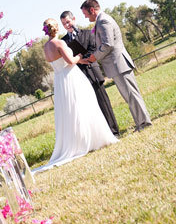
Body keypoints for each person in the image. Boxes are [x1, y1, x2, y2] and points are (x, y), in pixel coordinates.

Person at [36, 18, 117, 172]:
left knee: (69, 111)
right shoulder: (60, 43)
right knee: (83, 106)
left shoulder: (46, 47)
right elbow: (70, 61)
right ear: (56, 28)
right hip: (71, 77)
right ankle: (89, 139)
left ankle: (78, 140)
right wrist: (79, 56)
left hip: (59, 81)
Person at [80, 0, 152, 132]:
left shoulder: (103, 21)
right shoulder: (102, 20)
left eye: (86, 14)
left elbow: (108, 44)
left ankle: (144, 123)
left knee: (131, 95)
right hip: (116, 64)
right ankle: (141, 122)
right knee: (130, 95)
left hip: (118, 63)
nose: (85, 17)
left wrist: (94, 56)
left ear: (92, 10)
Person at [60, 10, 119, 136]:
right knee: (89, 108)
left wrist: (83, 58)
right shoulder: (63, 41)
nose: (67, 25)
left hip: (93, 72)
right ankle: (99, 135)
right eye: (64, 24)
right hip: (78, 77)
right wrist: (78, 60)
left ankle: (114, 131)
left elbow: (93, 48)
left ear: (74, 19)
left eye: (68, 22)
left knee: (103, 103)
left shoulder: (88, 33)